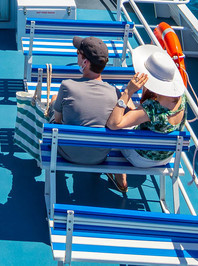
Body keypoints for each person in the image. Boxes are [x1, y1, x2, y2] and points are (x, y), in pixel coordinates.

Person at [106, 43, 188, 188]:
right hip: (166, 156)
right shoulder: (182, 98)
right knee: (130, 111)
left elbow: (113, 124)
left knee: (118, 116)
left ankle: (120, 175)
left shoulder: (152, 108)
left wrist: (128, 92)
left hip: (141, 158)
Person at [47, 36, 120, 170]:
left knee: (53, 101)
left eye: (78, 53)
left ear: (85, 62)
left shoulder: (67, 86)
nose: (77, 57)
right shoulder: (115, 93)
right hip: (99, 157)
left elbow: (58, 121)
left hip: (68, 154)